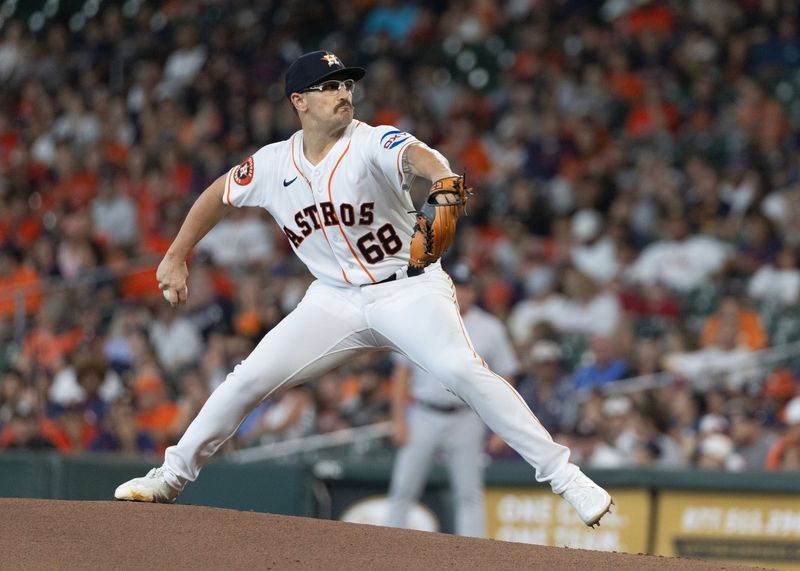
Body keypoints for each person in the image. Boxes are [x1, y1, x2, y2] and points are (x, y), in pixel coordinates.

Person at [114, 50, 612, 527]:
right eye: (328, 86)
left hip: (408, 290)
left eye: (346, 84)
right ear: (299, 102)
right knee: (246, 379)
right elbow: (217, 195)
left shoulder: (371, 141)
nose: (343, 93)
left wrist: (441, 177)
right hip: (333, 299)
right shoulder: (271, 164)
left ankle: (568, 479)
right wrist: (177, 254)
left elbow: (420, 156)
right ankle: (172, 475)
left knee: (462, 370)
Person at [385, 263, 519, 537]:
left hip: (466, 416)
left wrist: (501, 425)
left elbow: (506, 376)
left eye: (468, 286)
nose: (462, 292)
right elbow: (401, 373)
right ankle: (388, 548)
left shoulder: (490, 327)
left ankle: (472, 557)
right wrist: (398, 419)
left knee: (468, 493)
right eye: (457, 284)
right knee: (403, 488)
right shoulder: (423, 318)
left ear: (474, 291)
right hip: (423, 414)